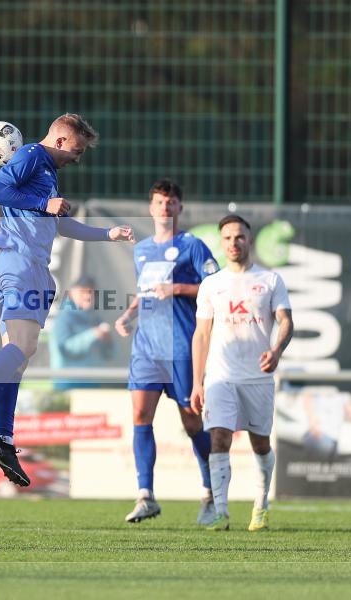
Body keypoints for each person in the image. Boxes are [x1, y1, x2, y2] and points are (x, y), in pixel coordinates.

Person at [0, 113, 134, 486]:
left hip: (29, 266)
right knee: (23, 346)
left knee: (19, 358)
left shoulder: (45, 172)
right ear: (62, 141)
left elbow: (59, 222)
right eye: (78, 150)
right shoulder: (33, 155)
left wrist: (107, 233)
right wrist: (44, 203)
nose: (78, 158)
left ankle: (3, 437)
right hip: (18, 264)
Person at [114, 179, 219, 524]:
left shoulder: (192, 245)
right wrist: (129, 315)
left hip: (182, 347)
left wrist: (178, 288)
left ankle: (211, 491)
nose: (164, 207)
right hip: (147, 348)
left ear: (179, 208)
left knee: (192, 422)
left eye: (170, 202)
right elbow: (145, 291)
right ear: (151, 208)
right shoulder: (142, 249)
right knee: (141, 417)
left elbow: (216, 287)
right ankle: (146, 495)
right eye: (159, 201)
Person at [191, 214, 294, 531]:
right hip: (221, 376)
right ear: (221, 243)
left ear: (249, 240)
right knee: (219, 438)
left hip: (258, 377)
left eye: (239, 237)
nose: (233, 243)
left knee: (260, 444)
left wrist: (276, 351)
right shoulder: (212, 284)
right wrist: (197, 381)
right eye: (227, 238)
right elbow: (202, 335)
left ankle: (261, 505)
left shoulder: (271, 280)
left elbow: (286, 322)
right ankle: (220, 512)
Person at [49, 275, 114, 391]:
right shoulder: (63, 318)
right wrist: (93, 335)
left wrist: (108, 342)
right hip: (68, 385)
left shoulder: (95, 318)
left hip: (93, 385)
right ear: (71, 294)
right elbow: (65, 349)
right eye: (83, 291)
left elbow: (110, 355)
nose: (88, 295)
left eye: (91, 292)